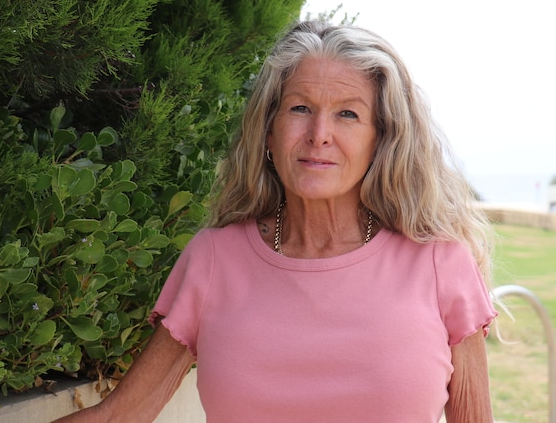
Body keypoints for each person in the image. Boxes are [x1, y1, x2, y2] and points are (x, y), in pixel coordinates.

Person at [55, 21, 498, 422]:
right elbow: (116, 419)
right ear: (268, 131)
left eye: (348, 113)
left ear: (380, 140)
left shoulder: (440, 265)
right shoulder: (214, 260)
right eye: (300, 108)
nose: (319, 133)